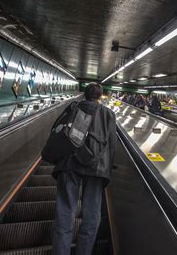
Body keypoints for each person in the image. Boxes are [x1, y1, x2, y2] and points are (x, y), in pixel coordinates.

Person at [52, 83, 116, 254]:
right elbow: (111, 145)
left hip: (69, 162)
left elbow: (58, 131)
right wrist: (107, 170)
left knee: (65, 212)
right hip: (96, 168)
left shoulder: (73, 107)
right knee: (92, 216)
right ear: (100, 96)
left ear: (85, 95)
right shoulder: (108, 113)